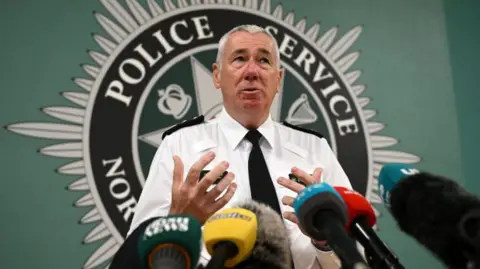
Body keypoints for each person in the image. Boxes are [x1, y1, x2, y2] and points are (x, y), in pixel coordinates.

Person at [128, 24, 353, 269]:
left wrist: (324, 239)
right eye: (239, 59)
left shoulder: (315, 150)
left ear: (278, 79)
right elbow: (137, 251)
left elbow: (357, 252)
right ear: (216, 75)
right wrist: (180, 220)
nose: (252, 71)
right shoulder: (179, 146)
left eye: (264, 60)